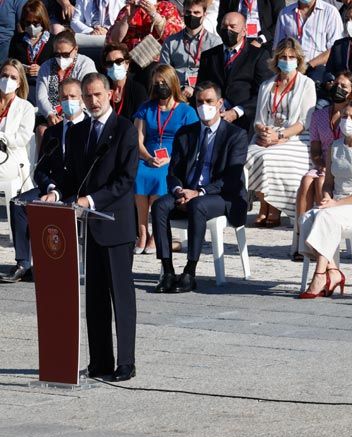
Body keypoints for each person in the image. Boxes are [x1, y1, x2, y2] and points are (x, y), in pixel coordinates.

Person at [61, 72, 139, 381]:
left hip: (115, 224)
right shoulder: (79, 132)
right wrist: (58, 194)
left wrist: (90, 200)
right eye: (87, 96)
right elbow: (74, 176)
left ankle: (126, 363)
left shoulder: (124, 130)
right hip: (88, 227)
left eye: (98, 95)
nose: (93, 101)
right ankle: (100, 362)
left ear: (111, 94)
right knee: (93, 299)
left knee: (121, 297)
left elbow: (125, 180)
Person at [152, 81, 249, 293]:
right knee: (159, 206)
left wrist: (199, 192)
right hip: (187, 191)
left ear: (220, 103)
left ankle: (190, 271)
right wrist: (179, 190)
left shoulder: (236, 135)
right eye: (200, 102)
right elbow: (173, 172)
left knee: (198, 206)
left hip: (221, 195)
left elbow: (231, 178)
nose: (204, 106)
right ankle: (168, 270)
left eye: (209, 101)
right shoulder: (186, 133)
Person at [2, 78, 86, 284]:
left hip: (80, 190)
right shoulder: (52, 132)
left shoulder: (90, 129)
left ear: (82, 99)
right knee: (19, 203)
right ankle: (24, 263)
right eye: (64, 97)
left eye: (73, 96)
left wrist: (57, 193)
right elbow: (40, 168)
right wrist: (50, 187)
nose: (68, 101)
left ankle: (62, 264)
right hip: (51, 187)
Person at [298, 99, 352, 298]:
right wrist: (327, 199)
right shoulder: (335, 147)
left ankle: (320, 275)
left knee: (325, 217)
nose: (347, 121)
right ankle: (334, 270)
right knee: (307, 217)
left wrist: (337, 204)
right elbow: (328, 182)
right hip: (338, 203)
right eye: (344, 116)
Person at [293, 71, 352, 261]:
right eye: (336, 84)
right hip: (323, 162)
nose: (338, 89)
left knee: (320, 182)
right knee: (307, 180)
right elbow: (315, 148)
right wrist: (321, 163)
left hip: (345, 164)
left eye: (344, 87)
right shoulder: (319, 115)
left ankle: (322, 242)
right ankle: (302, 239)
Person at [246, 38, 316, 227]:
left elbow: (304, 122)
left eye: (291, 57)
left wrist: (280, 136)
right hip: (268, 133)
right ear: (276, 59)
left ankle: (274, 206)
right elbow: (259, 119)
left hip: (296, 136)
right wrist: (264, 132)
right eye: (283, 56)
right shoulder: (267, 85)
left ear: (298, 60)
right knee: (252, 154)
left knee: (270, 157)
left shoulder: (306, 84)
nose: (287, 60)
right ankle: (263, 205)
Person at [133, 64, 198, 253]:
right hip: (147, 157)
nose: (160, 86)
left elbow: (191, 145)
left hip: (173, 159)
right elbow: (138, 139)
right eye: (157, 83)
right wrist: (147, 156)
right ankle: (142, 232)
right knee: (139, 174)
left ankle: (156, 235)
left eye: (164, 83)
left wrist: (169, 159)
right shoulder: (146, 108)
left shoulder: (187, 111)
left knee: (161, 177)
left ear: (173, 84)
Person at [197, 12, 273, 133]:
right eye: (224, 26)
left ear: (244, 31)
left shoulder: (258, 55)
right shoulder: (209, 56)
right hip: (212, 117)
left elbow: (263, 92)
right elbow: (201, 87)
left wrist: (236, 112)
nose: (228, 30)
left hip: (244, 120)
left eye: (233, 26)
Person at [35, 30, 97, 141]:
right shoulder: (46, 66)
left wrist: (69, 117)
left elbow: (87, 92)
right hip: (51, 114)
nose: (61, 58)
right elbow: (41, 96)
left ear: (76, 49)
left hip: (79, 111)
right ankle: (43, 159)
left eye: (66, 54)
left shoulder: (86, 64)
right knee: (42, 130)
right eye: (57, 54)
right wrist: (50, 115)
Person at [160, 0, 221, 100]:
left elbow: (216, 76)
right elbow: (164, 73)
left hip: (204, 94)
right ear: (183, 13)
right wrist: (179, 89)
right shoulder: (171, 42)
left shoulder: (215, 43)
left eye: (196, 13)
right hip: (176, 94)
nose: (192, 16)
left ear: (204, 15)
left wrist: (197, 89)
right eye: (188, 12)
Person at [273, 0, 343, 83]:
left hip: (318, 70)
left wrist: (308, 65)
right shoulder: (285, 13)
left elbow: (334, 49)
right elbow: (278, 47)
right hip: (290, 68)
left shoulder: (330, 12)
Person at [9, 0, 55, 106]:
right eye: (28, 23)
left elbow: (57, 67)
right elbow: (11, 62)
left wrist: (42, 69)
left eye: (35, 23)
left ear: (43, 21)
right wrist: (22, 68)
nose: (31, 27)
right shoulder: (16, 40)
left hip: (44, 84)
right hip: (22, 84)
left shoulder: (53, 41)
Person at [0, 59, 35, 195]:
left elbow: (22, 138)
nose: (7, 80)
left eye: (13, 77)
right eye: (4, 75)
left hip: (11, 157)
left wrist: (1, 137)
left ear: (19, 82)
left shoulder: (26, 107)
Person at [108, 0, 184, 51]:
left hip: (157, 62)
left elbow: (175, 39)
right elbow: (113, 41)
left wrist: (154, 15)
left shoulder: (167, 7)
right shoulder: (128, 9)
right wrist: (127, 19)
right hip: (129, 61)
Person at [102, 42, 148, 120]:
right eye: (109, 63)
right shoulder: (102, 89)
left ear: (127, 64)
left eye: (118, 61)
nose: (114, 66)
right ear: (106, 67)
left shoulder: (138, 90)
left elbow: (140, 121)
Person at [217, 0, 285, 46]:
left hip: (265, 42)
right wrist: (230, 38)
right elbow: (221, 21)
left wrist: (261, 39)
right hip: (236, 42)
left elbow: (280, 22)